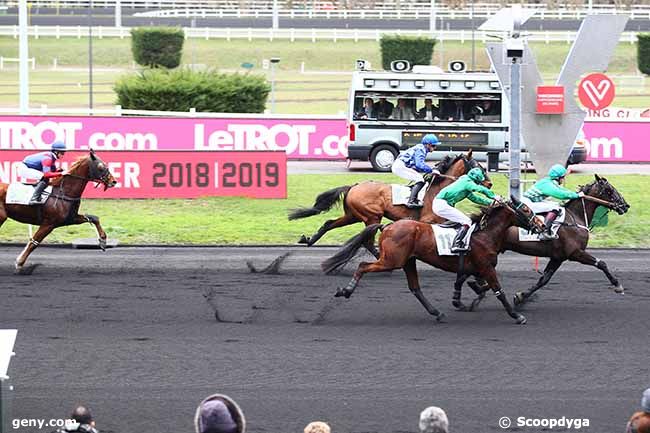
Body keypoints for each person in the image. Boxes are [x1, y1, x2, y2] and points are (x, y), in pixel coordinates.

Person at [433, 167, 500, 253]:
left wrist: (491, 202)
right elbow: (479, 189)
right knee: (466, 221)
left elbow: (476, 199)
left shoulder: (465, 184)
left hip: (442, 204)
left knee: (460, 221)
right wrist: (494, 196)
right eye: (479, 182)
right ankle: (456, 244)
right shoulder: (467, 182)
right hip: (442, 205)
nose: (479, 184)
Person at [522, 163, 583, 240]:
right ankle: (544, 232)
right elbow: (561, 195)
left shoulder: (549, 181)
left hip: (531, 201)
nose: (564, 179)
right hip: (528, 204)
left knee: (555, 204)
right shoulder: (548, 185)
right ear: (558, 178)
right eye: (563, 177)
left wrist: (575, 194)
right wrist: (577, 196)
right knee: (555, 208)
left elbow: (562, 190)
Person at [391, 133, 441, 208]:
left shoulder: (421, 148)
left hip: (400, 165)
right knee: (420, 179)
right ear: (427, 145)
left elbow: (417, 166)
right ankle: (411, 201)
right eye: (433, 145)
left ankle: (413, 196)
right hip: (400, 166)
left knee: (419, 178)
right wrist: (431, 170)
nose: (435, 147)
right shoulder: (421, 149)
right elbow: (419, 165)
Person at [18, 140, 67, 205]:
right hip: (24, 169)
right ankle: (34, 198)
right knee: (44, 178)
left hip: (27, 166)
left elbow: (53, 171)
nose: (63, 155)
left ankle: (37, 194)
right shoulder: (48, 159)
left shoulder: (52, 157)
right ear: (56, 152)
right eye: (62, 153)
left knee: (44, 178)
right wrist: (61, 173)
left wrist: (59, 171)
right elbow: (47, 174)